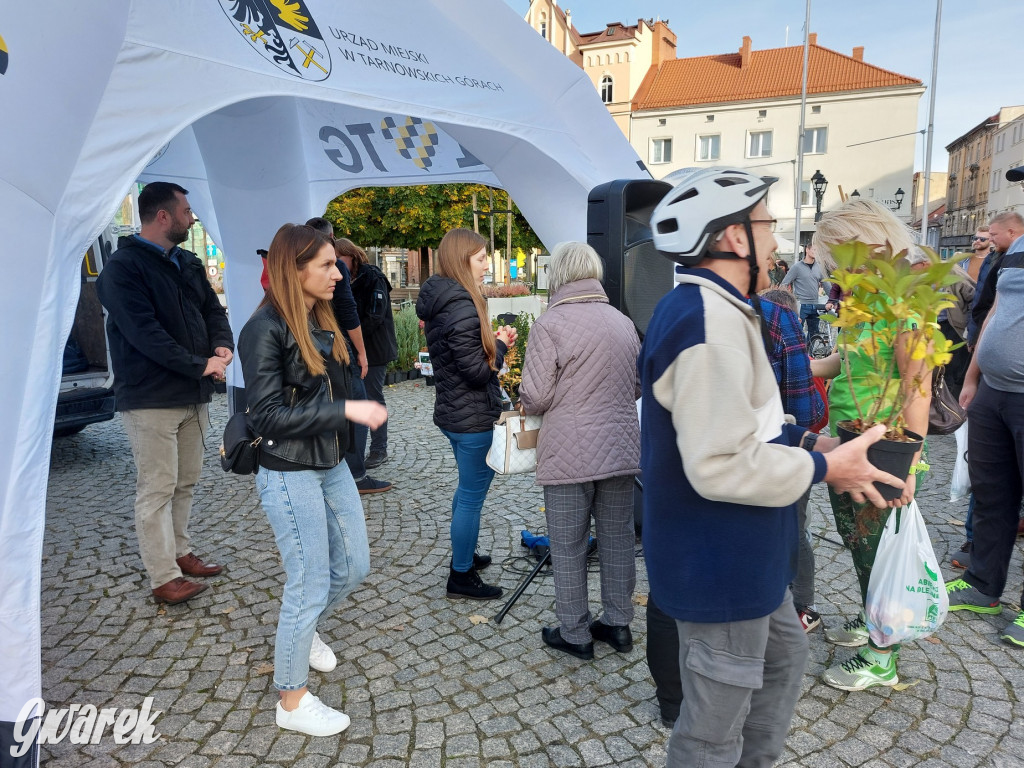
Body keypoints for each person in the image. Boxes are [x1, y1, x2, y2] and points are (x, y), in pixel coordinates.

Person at [641, 167, 904, 767]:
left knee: (784, 661)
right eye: (766, 225)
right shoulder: (703, 324)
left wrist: (810, 446)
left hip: (751, 558)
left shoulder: (728, 311)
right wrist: (823, 470)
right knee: (711, 730)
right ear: (734, 238)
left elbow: (752, 423)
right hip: (722, 563)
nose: (779, 243)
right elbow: (718, 467)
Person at [238, 223, 387, 736]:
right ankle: (291, 700)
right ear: (293, 269)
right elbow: (267, 417)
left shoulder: (318, 318)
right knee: (309, 579)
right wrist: (347, 408)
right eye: (325, 264)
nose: (338, 272)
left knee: (356, 565)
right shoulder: (265, 328)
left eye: (336, 263)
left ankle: (305, 631)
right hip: (287, 469)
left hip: (331, 462)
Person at [809, 199, 932, 692]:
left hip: (882, 448)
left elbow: (917, 381)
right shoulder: (863, 299)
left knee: (876, 546)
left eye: (840, 256)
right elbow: (848, 358)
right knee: (860, 544)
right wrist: (800, 366)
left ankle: (883, 654)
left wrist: (912, 463)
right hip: (849, 438)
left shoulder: (906, 301)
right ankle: (871, 617)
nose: (836, 268)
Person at [96, 181, 232, 605]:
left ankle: (180, 551)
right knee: (157, 487)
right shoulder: (123, 269)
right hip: (151, 397)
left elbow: (211, 309)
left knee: (186, 481)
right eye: (186, 211)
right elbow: (145, 335)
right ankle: (163, 576)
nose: (192, 218)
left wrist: (221, 344)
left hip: (193, 392)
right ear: (162, 216)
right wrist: (200, 364)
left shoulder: (187, 262)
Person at [518, 242, 641, 660]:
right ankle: (619, 624)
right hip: (620, 447)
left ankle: (575, 634)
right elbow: (637, 386)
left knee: (568, 545)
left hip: (570, 451)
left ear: (559, 275)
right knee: (618, 538)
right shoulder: (623, 322)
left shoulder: (550, 324)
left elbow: (534, 397)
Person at [416, 229, 517, 600]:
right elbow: (476, 372)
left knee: (466, 490)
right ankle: (461, 576)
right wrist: (502, 346)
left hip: (454, 413)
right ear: (462, 261)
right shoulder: (461, 304)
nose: (487, 264)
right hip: (471, 417)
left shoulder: (444, 300)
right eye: (480, 258)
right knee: (472, 496)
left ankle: (464, 553)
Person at [946, 195, 1024, 648]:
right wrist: (974, 375)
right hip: (995, 391)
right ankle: (983, 585)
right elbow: (994, 311)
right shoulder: (1014, 251)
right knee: (993, 493)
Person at [306, 217, 391, 495]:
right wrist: (361, 353)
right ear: (330, 238)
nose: (336, 273)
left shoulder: (299, 266)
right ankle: (354, 474)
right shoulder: (338, 268)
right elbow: (348, 312)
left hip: (314, 349)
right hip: (338, 352)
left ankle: (332, 468)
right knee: (357, 408)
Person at [335, 238, 398, 470]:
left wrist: (354, 337)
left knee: (373, 397)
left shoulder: (373, 277)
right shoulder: (347, 278)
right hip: (356, 348)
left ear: (351, 256)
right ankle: (355, 449)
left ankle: (379, 449)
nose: (335, 264)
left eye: (339, 259)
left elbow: (375, 316)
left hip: (375, 349)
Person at [781, 245, 827, 345]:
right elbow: (784, 284)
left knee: (814, 333)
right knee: (797, 331)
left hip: (815, 305)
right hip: (801, 305)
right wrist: (786, 301)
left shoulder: (819, 267)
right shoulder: (797, 267)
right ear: (807, 250)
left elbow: (827, 284)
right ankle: (799, 352)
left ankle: (809, 355)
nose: (816, 252)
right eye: (814, 249)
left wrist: (833, 299)